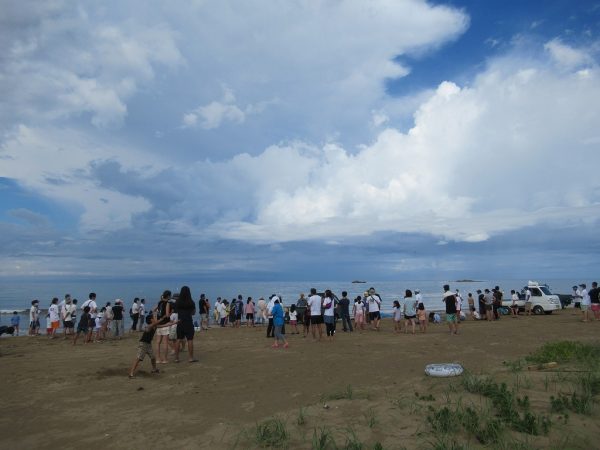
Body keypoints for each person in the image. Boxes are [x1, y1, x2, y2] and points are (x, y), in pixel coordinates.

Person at [128, 314, 161, 378]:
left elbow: (164, 325)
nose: (155, 319)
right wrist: (162, 318)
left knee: (153, 357)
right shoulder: (149, 326)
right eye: (154, 318)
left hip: (148, 344)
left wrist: (174, 323)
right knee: (138, 358)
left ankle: (154, 369)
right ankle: (131, 374)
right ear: (151, 320)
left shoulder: (155, 326)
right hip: (143, 344)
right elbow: (151, 326)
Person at [174, 286, 198, 363]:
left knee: (178, 339)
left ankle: (176, 358)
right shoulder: (191, 302)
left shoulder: (178, 302)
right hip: (188, 322)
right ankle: (190, 358)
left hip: (180, 322)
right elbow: (193, 313)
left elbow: (176, 311)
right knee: (190, 339)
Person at [155, 290, 172, 364]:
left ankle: (158, 359)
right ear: (168, 296)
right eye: (170, 295)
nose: (171, 296)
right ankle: (165, 359)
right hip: (165, 323)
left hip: (159, 323)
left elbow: (155, 311)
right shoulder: (167, 303)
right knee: (165, 342)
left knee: (158, 342)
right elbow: (167, 315)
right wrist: (171, 312)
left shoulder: (159, 302)